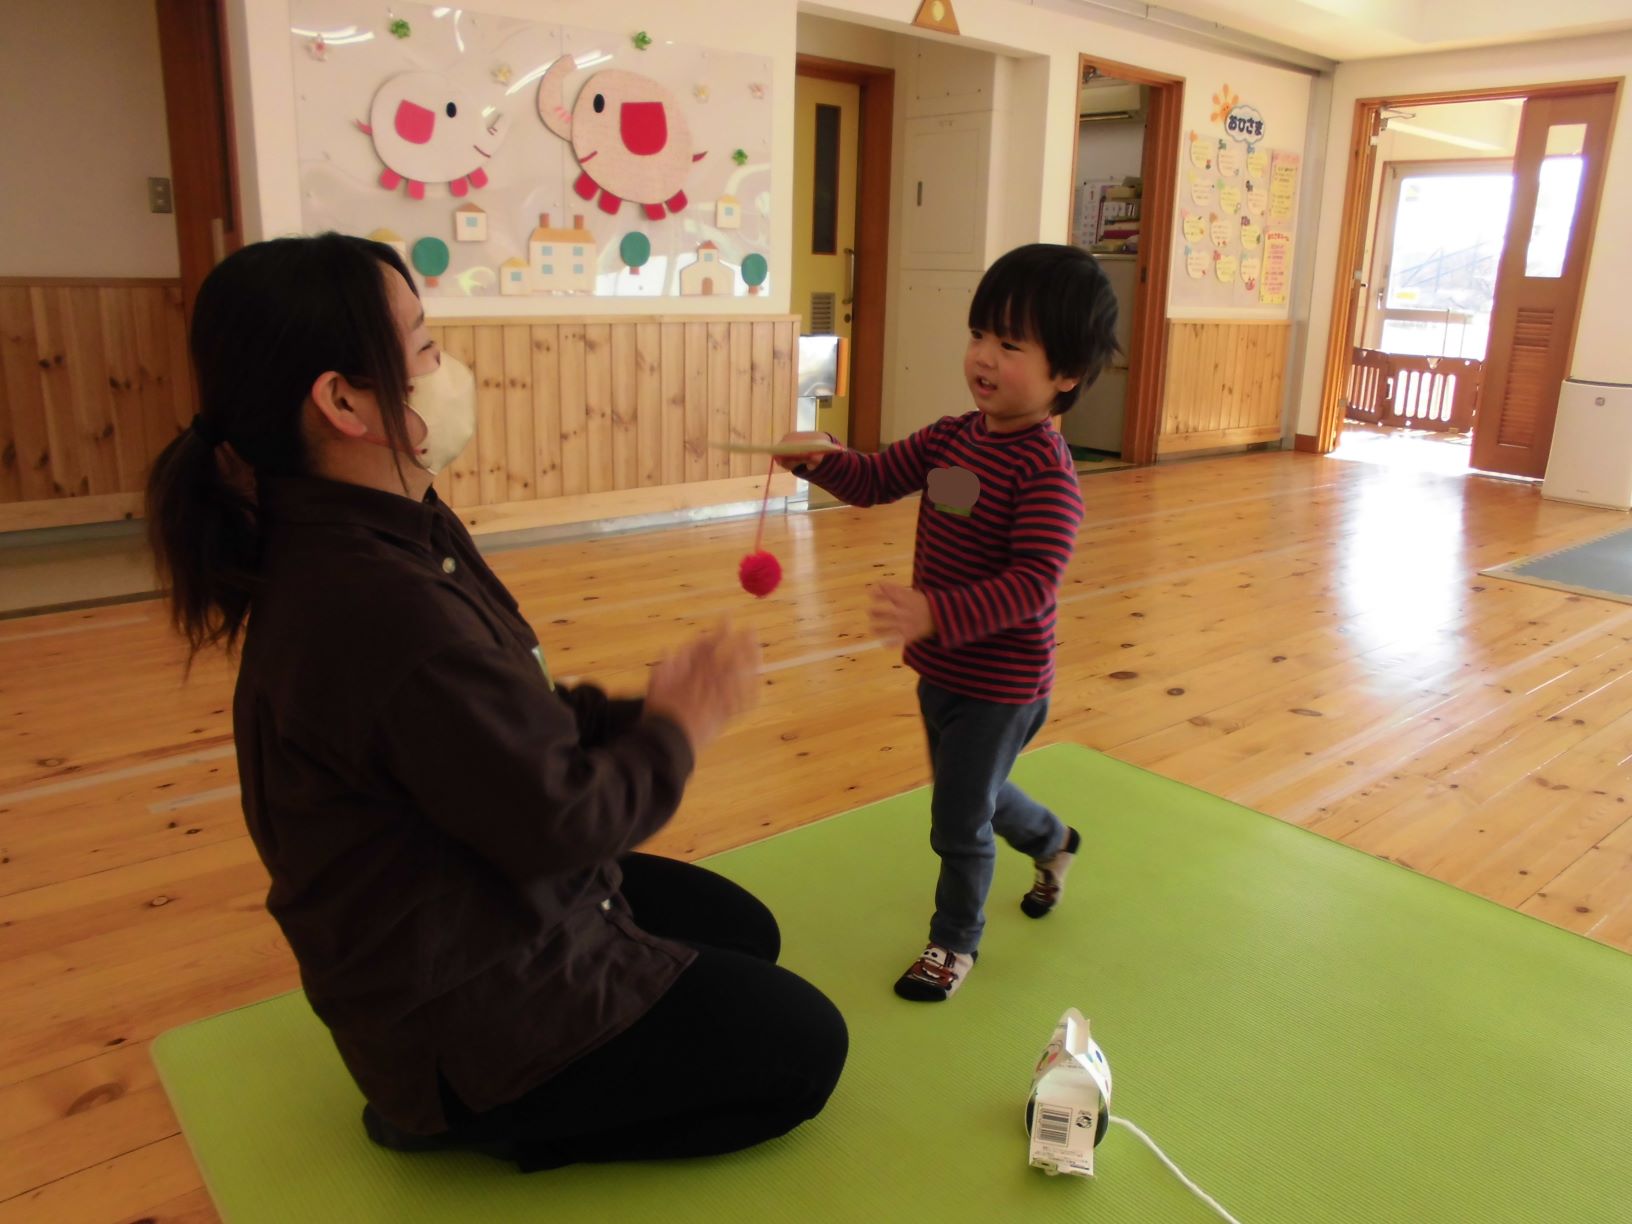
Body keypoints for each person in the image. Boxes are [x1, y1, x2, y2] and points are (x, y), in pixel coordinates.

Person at [145, 233, 847, 1169]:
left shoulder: (392, 526)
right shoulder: (374, 604)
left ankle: (493, 1081)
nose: (447, 368)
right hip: (456, 988)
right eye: (426, 345)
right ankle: (476, 1114)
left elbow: (503, 717)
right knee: (805, 1051)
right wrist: (680, 727)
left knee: (745, 932)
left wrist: (628, 716)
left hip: (460, 880)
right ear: (342, 400)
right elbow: (565, 822)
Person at [779, 243, 1119, 1002]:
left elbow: (1034, 585)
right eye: (978, 335)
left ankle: (953, 943)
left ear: (1065, 374)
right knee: (978, 795)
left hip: (1004, 683)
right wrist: (819, 458)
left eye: (1010, 344)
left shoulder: (1048, 476)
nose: (983, 358)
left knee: (957, 819)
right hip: (942, 670)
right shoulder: (950, 438)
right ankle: (1054, 841)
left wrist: (935, 610)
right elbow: (873, 480)